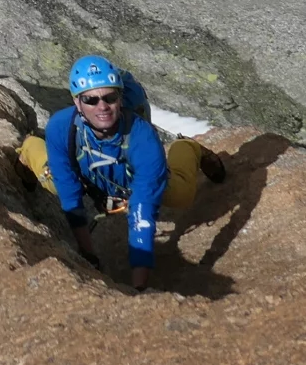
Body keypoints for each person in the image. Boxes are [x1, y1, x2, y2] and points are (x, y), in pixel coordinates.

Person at [18, 55, 221, 290]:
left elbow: (142, 209)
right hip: (86, 174)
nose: (101, 106)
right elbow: (68, 193)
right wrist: (88, 254)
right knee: (52, 182)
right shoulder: (61, 127)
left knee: (181, 194)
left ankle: (187, 147)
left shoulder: (142, 135)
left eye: (109, 98)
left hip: (126, 175)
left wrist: (139, 286)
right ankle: (29, 148)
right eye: (91, 100)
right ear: (77, 102)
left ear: (120, 98)